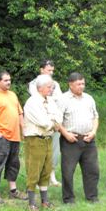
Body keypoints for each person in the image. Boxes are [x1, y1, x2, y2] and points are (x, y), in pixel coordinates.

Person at [0, 71, 27, 204]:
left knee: (14, 163)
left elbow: (20, 113)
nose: (9, 82)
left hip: (15, 136)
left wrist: (23, 128)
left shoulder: (12, 95)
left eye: (9, 80)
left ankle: (13, 190)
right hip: (1, 137)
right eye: (6, 80)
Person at [57, 72, 100, 204]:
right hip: (71, 140)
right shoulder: (63, 99)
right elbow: (56, 121)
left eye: (83, 84)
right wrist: (66, 134)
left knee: (92, 169)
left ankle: (92, 196)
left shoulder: (89, 98)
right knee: (68, 171)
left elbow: (95, 117)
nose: (81, 86)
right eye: (78, 84)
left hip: (88, 138)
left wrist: (93, 132)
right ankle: (69, 198)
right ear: (70, 84)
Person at [23, 75, 63, 211]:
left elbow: (59, 117)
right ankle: (31, 204)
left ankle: (45, 201)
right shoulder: (32, 102)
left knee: (46, 170)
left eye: (52, 87)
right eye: (49, 87)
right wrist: (52, 122)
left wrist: (52, 121)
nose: (52, 89)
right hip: (35, 139)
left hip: (47, 139)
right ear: (40, 88)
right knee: (34, 170)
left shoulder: (51, 101)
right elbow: (43, 121)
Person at [29, 59, 63, 187]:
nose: (51, 73)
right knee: (39, 152)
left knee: (54, 150)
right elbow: (38, 98)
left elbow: (59, 100)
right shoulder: (34, 83)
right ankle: (37, 179)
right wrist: (52, 99)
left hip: (54, 121)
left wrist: (52, 99)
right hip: (40, 122)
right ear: (41, 70)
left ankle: (51, 175)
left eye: (52, 71)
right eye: (49, 70)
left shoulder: (56, 84)